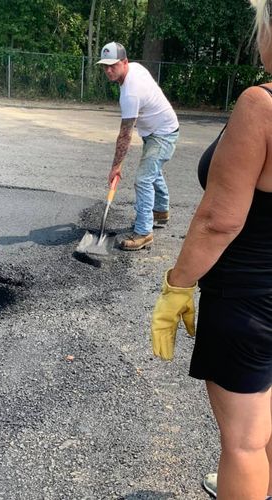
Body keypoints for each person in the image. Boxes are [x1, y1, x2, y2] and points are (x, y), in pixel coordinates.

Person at [151, 0, 272, 498]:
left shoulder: (261, 105)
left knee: (243, 443)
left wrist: (175, 286)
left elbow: (219, 220)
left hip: (249, 299)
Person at [96, 42, 179, 250]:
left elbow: (125, 135)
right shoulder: (136, 68)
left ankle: (144, 232)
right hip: (156, 130)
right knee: (153, 171)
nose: (108, 70)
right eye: (105, 66)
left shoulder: (130, 93)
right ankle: (160, 211)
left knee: (143, 179)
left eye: (113, 65)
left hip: (163, 134)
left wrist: (116, 167)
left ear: (124, 62)